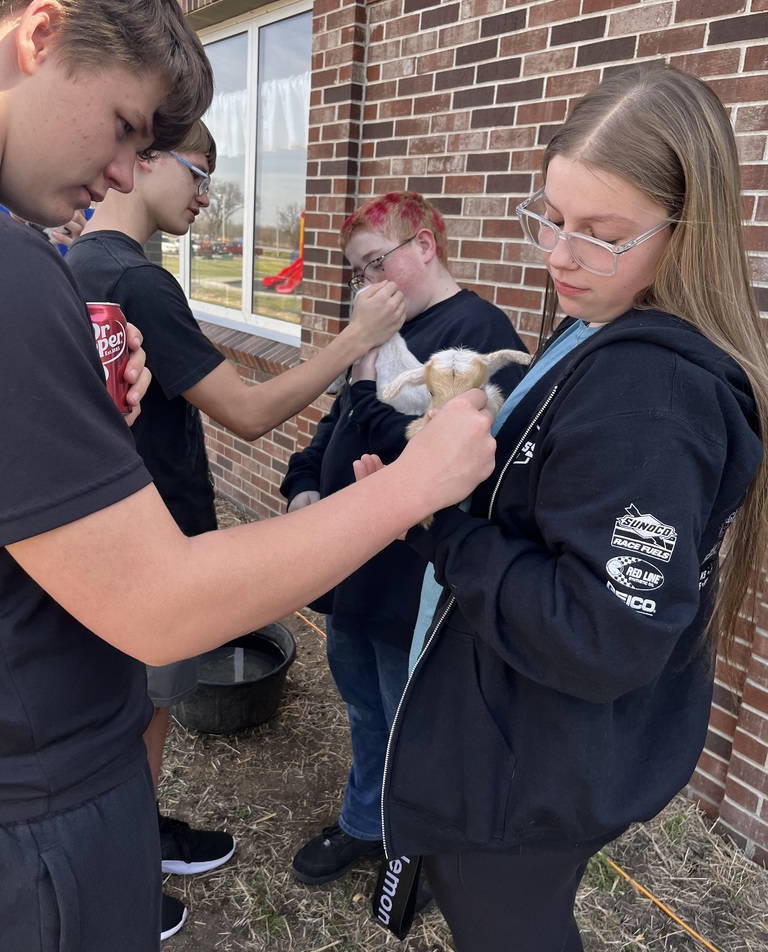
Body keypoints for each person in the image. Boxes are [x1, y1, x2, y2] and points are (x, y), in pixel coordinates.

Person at [0, 0, 496, 952]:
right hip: (40, 811)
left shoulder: (46, 266)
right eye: (131, 129)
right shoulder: (32, 275)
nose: (128, 169)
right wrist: (412, 483)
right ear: (39, 37)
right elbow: (163, 596)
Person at [373, 64, 768, 952]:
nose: (559, 255)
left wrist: (442, 529)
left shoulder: (655, 397)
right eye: (551, 216)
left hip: (527, 774)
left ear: (688, 230)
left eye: (602, 233)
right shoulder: (601, 318)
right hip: (526, 738)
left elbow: (602, 633)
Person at [67, 122, 408, 935]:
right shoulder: (138, 282)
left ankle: (142, 843)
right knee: (142, 718)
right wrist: (357, 340)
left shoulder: (78, 266)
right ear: (143, 160)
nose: (207, 193)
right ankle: (131, 881)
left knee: (127, 711)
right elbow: (250, 412)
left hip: (115, 535)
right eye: (199, 170)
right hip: (160, 542)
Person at [281, 192, 527, 907]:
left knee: (408, 721)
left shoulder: (474, 333)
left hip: (409, 581)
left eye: (378, 263)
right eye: (358, 272)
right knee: (363, 706)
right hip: (350, 567)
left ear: (425, 245)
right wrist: (302, 483)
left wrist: (362, 391)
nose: (370, 285)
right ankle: (366, 822)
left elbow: (454, 458)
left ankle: (413, 855)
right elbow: (336, 433)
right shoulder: (377, 334)